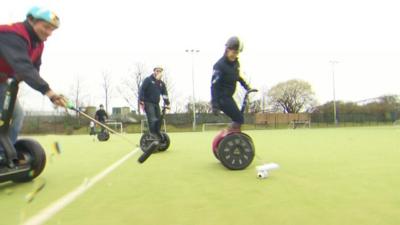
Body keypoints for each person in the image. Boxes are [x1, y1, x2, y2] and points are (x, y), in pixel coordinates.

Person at [0, 6, 67, 163]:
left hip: (1, 83)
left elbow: (33, 70)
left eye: (52, 30)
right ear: (31, 21)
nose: (49, 33)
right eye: (45, 27)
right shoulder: (13, 34)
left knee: (16, 114)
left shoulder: (38, 44)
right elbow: (23, 66)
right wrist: (48, 92)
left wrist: (52, 94)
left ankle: (3, 154)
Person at [210, 36, 255, 132]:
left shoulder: (235, 64)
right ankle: (229, 137)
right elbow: (214, 86)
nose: (235, 55)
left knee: (238, 118)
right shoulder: (219, 66)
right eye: (233, 52)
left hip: (229, 97)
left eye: (237, 53)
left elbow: (237, 76)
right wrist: (214, 104)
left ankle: (231, 136)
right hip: (222, 99)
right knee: (239, 118)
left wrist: (247, 87)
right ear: (227, 50)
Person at [139, 65, 170, 142]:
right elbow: (142, 90)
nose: (158, 72)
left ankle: (157, 134)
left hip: (156, 104)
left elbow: (165, 94)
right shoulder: (148, 80)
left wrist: (167, 103)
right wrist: (141, 100)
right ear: (154, 71)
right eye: (157, 71)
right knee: (153, 119)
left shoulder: (161, 84)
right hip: (148, 102)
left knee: (158, 119)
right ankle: (152, 135)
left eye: (160, 71)